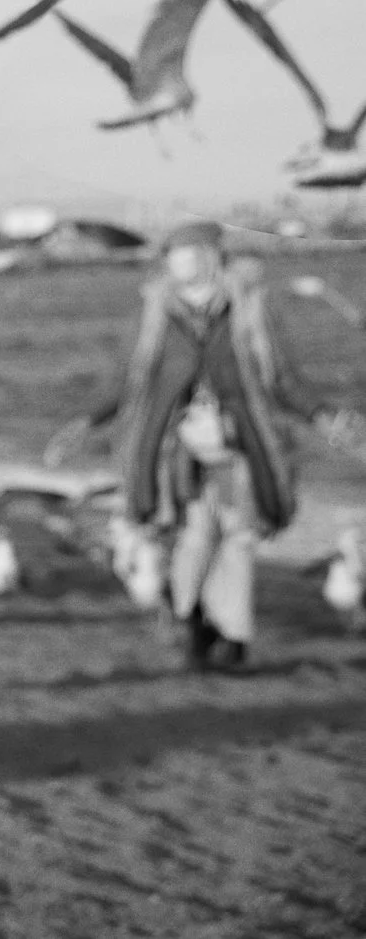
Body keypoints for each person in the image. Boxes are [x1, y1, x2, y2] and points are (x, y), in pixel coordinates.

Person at [48, 220, 360, 672]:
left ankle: (233, 634)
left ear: (212, 257)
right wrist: (85, 422)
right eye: (173, 255)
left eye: (188, 253)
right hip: (177, 451)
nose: (178, 262)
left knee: (240, 537)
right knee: (193, 537)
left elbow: (282, 381)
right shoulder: (154, 312)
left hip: (243, 445)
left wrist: (323, 415)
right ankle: (191, 618)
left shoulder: (250, 308)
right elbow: (127, 381)